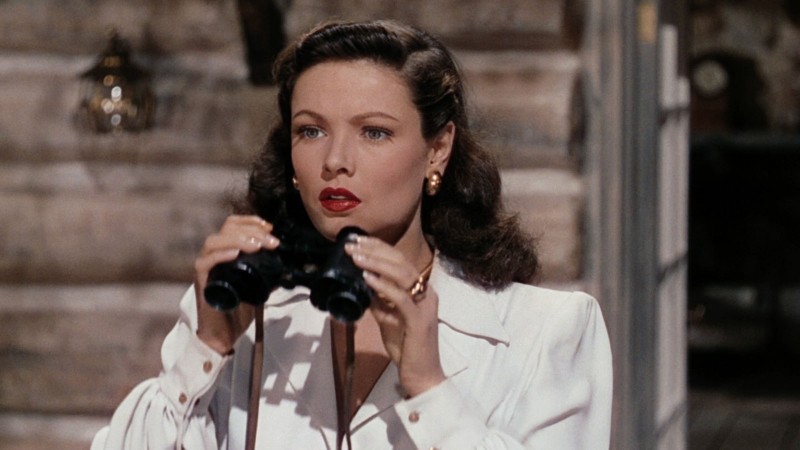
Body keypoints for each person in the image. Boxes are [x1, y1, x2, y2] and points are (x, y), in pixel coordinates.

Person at [91, 19, 612, 450]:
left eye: (374, 132)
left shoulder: (547, 331)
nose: (335, 161)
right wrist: (205, 349)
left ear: (437, 150)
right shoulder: (246, 312)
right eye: (311, 131)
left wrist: (429, 387)